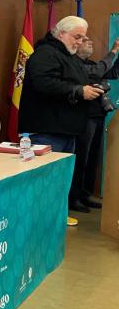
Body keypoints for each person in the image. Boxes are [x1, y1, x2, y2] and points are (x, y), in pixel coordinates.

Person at [18, 16, 104, 225]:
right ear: (61, 33)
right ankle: (39, 219)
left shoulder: (69, 56)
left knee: (59, 181)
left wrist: (89, 89)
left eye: (83, 37)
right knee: (44, 180)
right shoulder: (45, 53)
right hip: (47, 130)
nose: (80, 42)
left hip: (66, 129)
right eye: (77, 36)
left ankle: (53, 216)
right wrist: (78, 90)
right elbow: (44, 83)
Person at [70, 37, 119, 212]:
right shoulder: (74, 64)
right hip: (83, 118)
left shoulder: (90, 62)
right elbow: (98, 71)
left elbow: (112, 73)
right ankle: (73, 197)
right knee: (81, 158)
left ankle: (85, 194)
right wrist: (114, 50)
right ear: (75, 46)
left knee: (93, 159)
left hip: (98, 116)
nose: (90, 41)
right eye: (84, 40)